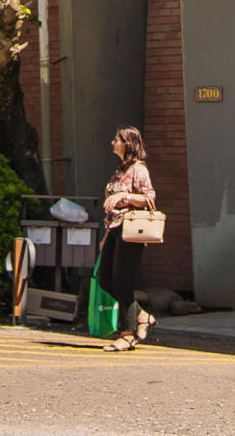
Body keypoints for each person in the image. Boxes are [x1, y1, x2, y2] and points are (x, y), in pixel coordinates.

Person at [98, 126, 157, 351]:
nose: (112, 143)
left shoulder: (138, 169)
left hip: (131, 230)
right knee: (105, 280)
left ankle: (127, 335)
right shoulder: (120, 170)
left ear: (127, 144)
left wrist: (125, 196)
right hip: (114, 229)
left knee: (122, 282)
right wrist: (106, 236)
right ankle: (142, 316)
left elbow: (149, 198)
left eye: (116, 139)